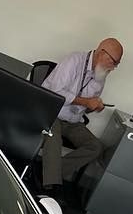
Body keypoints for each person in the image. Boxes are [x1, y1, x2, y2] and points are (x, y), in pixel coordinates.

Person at [39, 38, 123, 192]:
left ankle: (49, 174)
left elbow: (85, 107)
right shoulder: (74, 60)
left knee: (96, 147)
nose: (113, 68)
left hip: (73, 121)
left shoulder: (100, 75)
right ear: (102, 53)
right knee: (53, 137)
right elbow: (56, 93)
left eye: (116, 64)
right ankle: (48, 187)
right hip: (51, 111)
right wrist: (86, 102)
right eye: (114, 62)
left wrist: (95, 107)